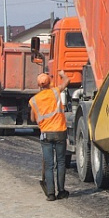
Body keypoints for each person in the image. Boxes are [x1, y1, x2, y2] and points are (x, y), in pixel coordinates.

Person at [30, 70, 71, 201]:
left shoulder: (34, 100)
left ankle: (51, 193)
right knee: (61, 162)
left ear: (39, 85)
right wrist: (62, 74)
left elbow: (32, 118)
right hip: (60, 132)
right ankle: (61, 191)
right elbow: (67, 82)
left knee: (48, 165)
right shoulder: (55, 92)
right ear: (49, 83)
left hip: (46, 135)